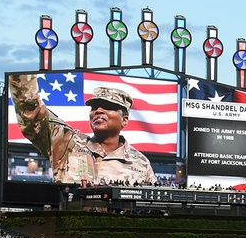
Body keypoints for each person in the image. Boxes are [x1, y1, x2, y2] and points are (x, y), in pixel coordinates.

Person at [8, 74, 155, 186]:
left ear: (124, 120)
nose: (98, 111)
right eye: (94, 107)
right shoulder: (67, 144)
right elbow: (30, 109)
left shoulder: (140, 163)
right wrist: (21, 72)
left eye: (108, 107)